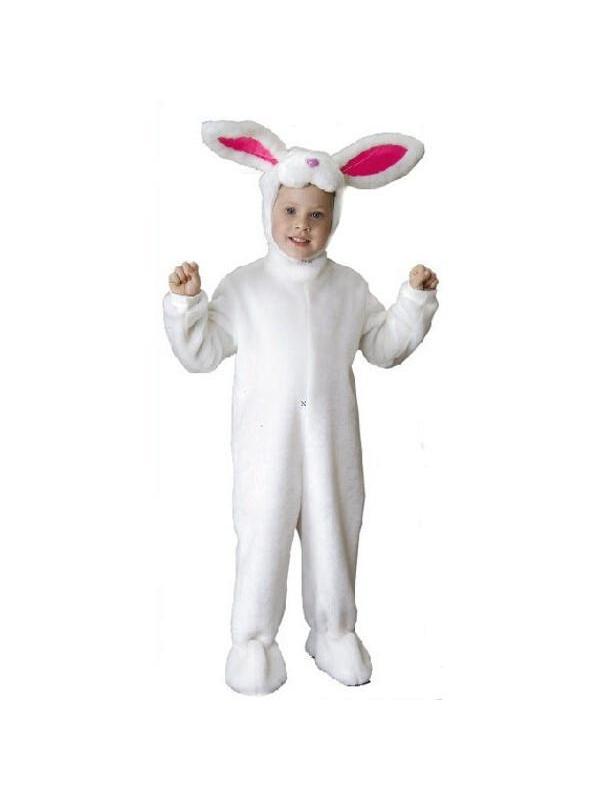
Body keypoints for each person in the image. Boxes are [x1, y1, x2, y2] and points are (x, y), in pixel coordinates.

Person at [163, 120, 439, 695]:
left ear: (334, 220)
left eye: (316, 215)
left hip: (331, 446)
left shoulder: (348, 288)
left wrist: (413, 301)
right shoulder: (245, 287)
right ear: (269, 207)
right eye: (290, 211)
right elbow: (202, 353)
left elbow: (383, 347)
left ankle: (334, 632)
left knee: (334, 533)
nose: (301, 226)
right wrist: (187, 306)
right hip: (266, 448)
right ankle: (253, 643)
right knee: (262, 537)